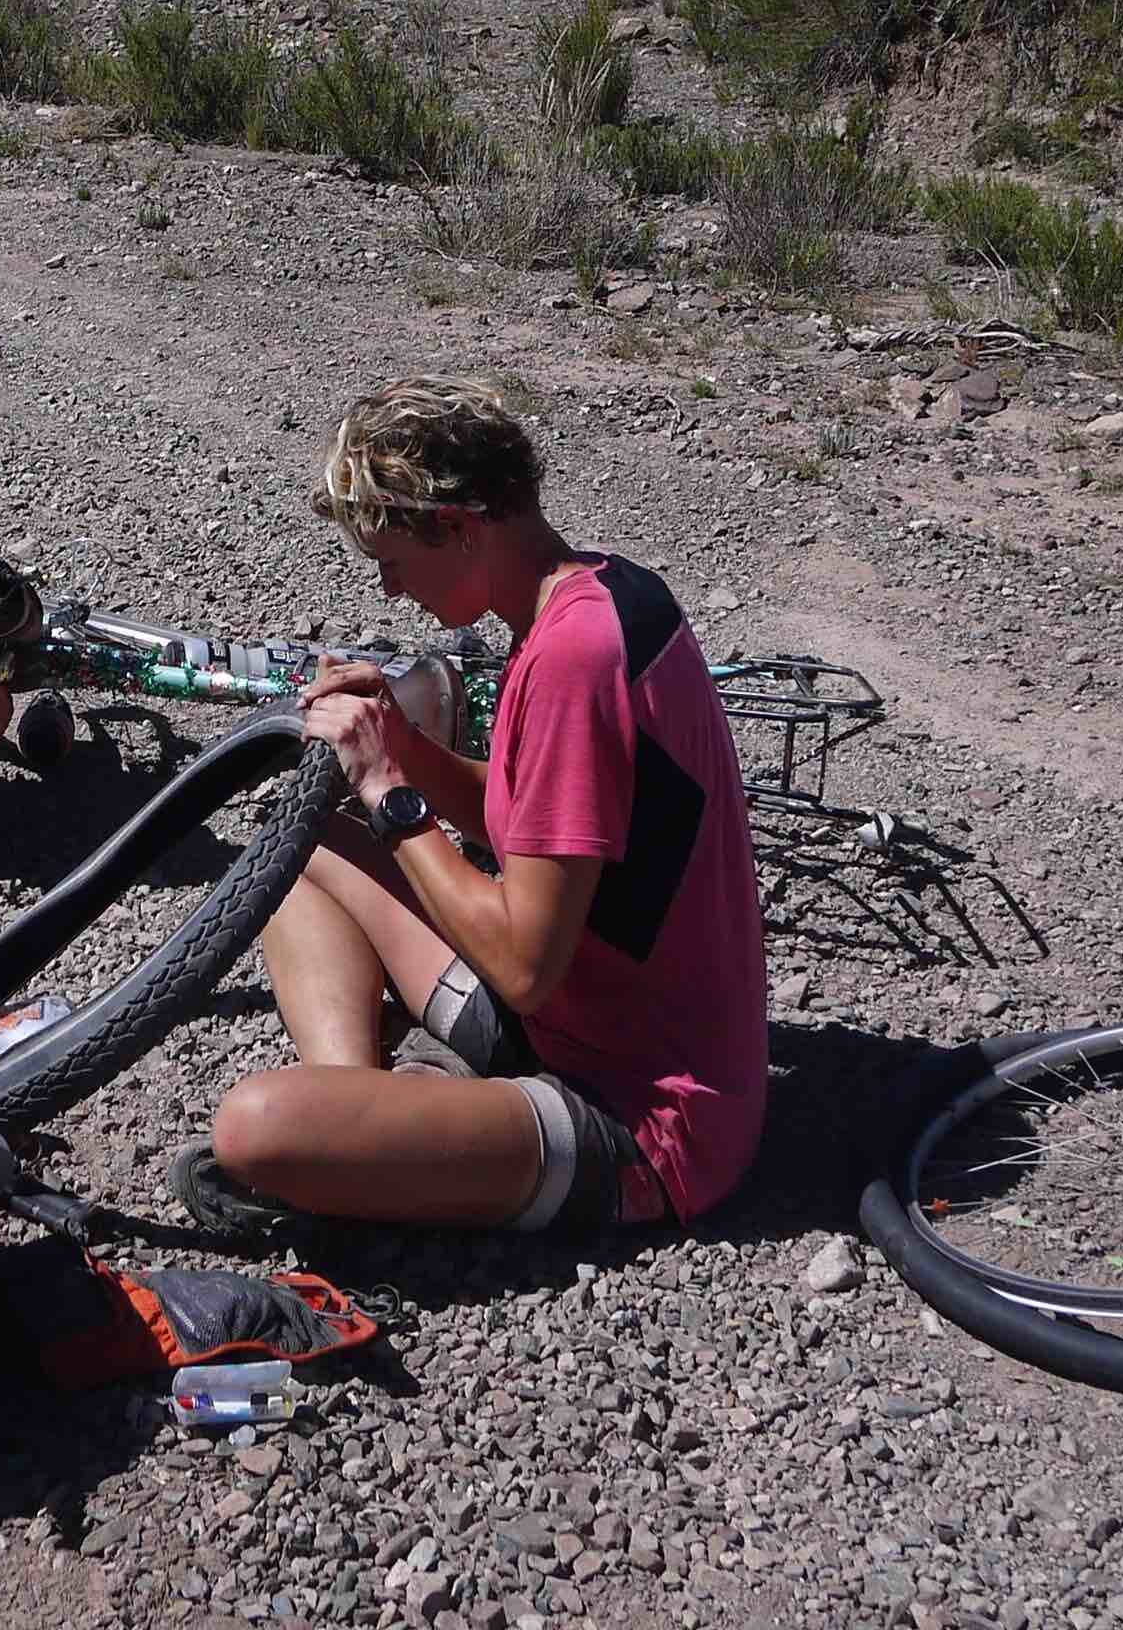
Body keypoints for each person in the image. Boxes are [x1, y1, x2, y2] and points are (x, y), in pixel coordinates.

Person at [187, 378, 767, 1236]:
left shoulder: (574, 660)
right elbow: (526, 824)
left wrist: (390, 789)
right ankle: (367, 1120)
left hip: (643, 1118)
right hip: (569, 1020)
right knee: (306, 849)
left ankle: (359, 1150)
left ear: (457, 529)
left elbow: (525, 964)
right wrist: (404, 745)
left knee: (254, 1128)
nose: (387, 590)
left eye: (391, 561)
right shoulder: (602, 595)